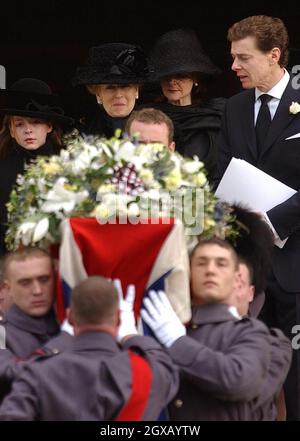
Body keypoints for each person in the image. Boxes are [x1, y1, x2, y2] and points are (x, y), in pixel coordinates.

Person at [215, 15, 300, 420]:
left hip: (295, 261)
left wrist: (273, 222)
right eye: (233, 57)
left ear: (274, 55)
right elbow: (221, 172)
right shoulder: (232, 108)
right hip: (247, 266)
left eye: (243, 57)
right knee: (248, 374)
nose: (234, 67)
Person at [141, 238, 290, 420]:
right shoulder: (169, 323)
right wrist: (132, 339)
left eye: (221, 264)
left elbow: (239, 381)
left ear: (236, 279)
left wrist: (177, 342)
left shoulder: (256, 334)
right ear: (188, 273)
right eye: (201, 263)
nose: (210, 270)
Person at [0, 276, 178, 421]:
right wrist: (131, 336)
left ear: (70, 317)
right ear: (118, 318)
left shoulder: (39, 374)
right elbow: (162, 362)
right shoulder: (150, 373)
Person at [0, 78, 73, 256]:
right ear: (11, 129)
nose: (28, 130)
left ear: (49, 126)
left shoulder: (69, 167)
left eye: (36, 122)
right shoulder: (2, 169)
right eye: (19, 124)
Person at [146, 28, 225, 181]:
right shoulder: (146, 117)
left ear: (196, 79)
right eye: (165, 76)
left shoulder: (217, 114)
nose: (172, 82)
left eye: (181, 75)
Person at [72, 43, 154, 137]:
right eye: (110, 87)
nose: (118, 95)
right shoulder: (82, 136)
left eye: (125, 86)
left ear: (136, 91)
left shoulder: (158, 130)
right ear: (98, 94)